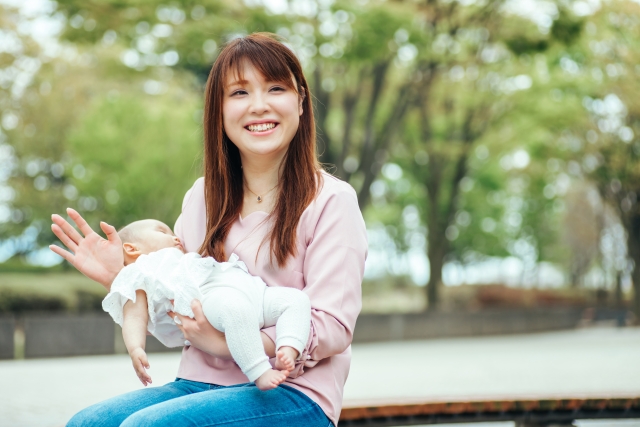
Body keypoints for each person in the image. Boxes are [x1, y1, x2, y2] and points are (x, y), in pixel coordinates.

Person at [51, 32, 367, 427]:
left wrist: (230, 343)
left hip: (292, 392)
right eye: (239, 93)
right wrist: (127, 280)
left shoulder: (332, 201)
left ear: (301, 101)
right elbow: (182, 314)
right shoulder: (201, 198)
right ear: (218, 110)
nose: (258, 105)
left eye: (275, 88)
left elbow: (333, 326)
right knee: (86, 424)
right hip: (198, 383)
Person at [105, 218, 310, 391]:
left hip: (249, 289)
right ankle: (260, 372)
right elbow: (133, 315)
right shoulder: (138, 272)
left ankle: (289, 348)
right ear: (132, 248)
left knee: (296, 300)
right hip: (207, 298)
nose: (175, 236)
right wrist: (136, 348)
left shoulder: (182, 258)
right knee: (235, 310)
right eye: (162, 231)